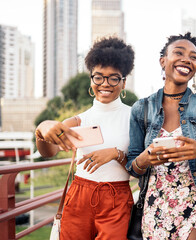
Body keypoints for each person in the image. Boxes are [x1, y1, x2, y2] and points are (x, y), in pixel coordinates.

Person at [35, 36, 135, 240]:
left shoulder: (134, 118)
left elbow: (139, 168)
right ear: (91, 79)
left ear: (123, 82)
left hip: (117, 199)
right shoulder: (79, 120)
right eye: (98, 77)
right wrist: (42, 129)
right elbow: (48, 152)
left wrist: (115, 154)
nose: (105, 83)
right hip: (79, 196)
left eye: (113, 77)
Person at [126, 32, 196, 240]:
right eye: (179, 53)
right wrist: (145, 158)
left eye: (193, 57)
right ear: (163, 61)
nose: (187, 59)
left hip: (194, 202)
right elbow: (133, 166)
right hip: (156, 205)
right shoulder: (142, 108)